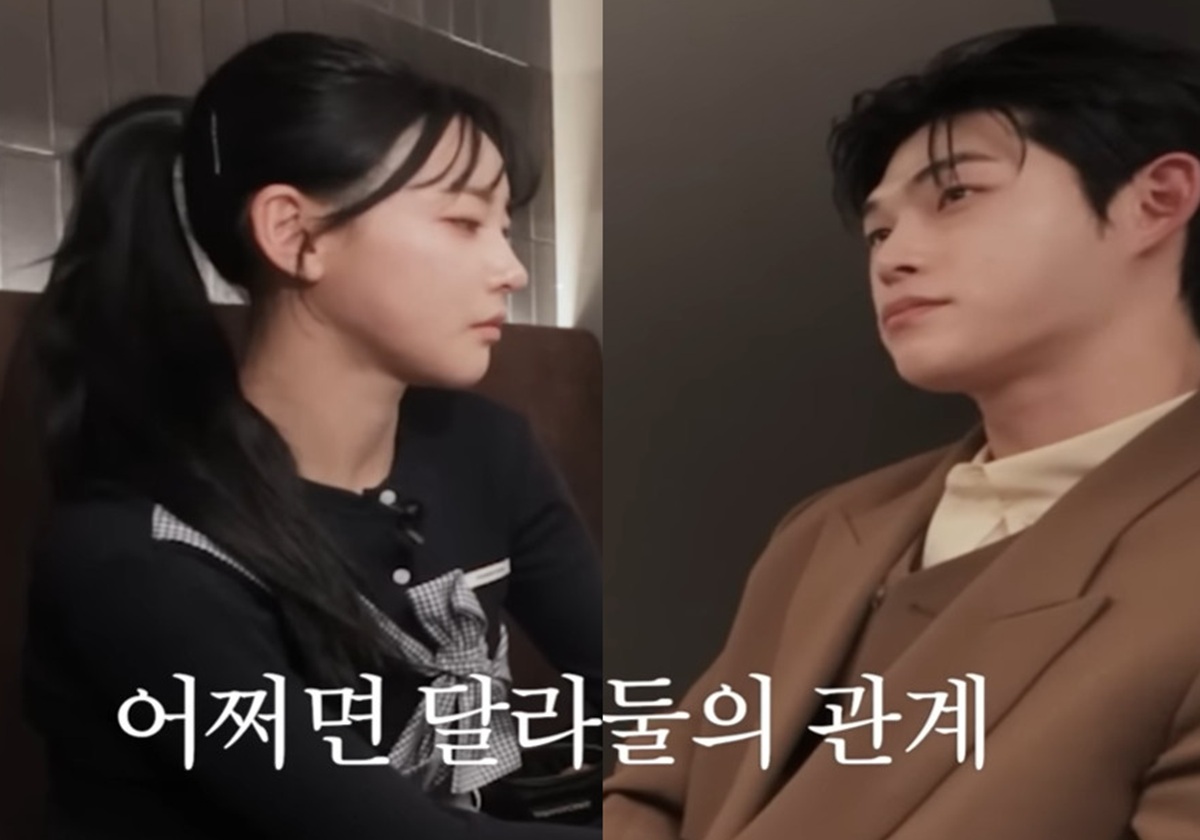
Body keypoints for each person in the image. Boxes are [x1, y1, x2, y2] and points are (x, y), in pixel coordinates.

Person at [604, 23, 1200, 840]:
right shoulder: (830, 528)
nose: (893, 258)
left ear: (1156, 200)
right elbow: (655, 790)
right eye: (879, 231)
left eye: (955, 195)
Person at [18, 32, 601, 840]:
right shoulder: (144, 551)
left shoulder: (486, 448)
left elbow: (650, 686)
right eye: (465, 222)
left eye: (504, 228)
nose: (512, 269)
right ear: (295, 234)